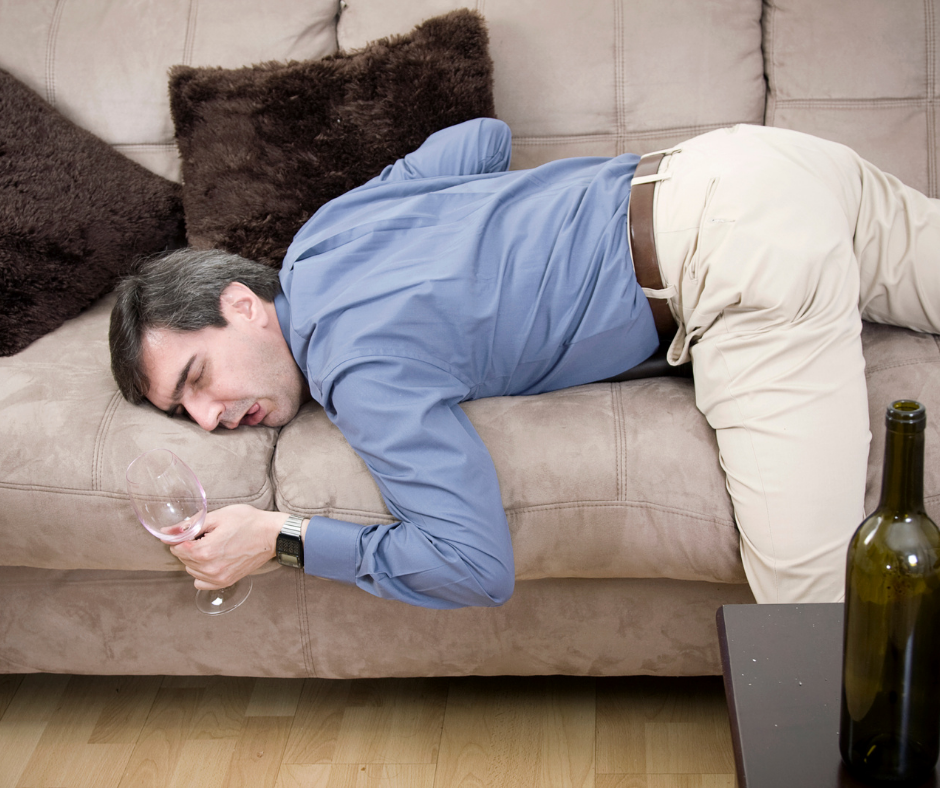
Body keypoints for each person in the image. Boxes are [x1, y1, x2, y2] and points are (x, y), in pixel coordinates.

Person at [110, 118, 940, 609]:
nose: (210, 417)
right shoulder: (325, 232)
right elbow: (484, 138)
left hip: (737, 260)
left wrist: (281, 539)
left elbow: (475, 569)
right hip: (746, 162)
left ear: (242, 304)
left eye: (197, 378)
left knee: (816, 608)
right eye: (186, 413)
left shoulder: (354, 367)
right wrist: (481, 236)